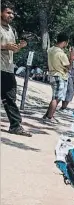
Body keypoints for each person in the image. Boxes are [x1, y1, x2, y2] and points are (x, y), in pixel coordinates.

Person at [0, 2, 31, 136]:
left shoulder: (11, 30)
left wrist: (20, 46)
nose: (11, 16)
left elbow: (13, 49)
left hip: (8, 68)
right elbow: (5, 46)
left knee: (11, 97)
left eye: (12, 13)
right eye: (8, 12)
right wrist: (5, 46)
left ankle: (15, 126)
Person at [42, 32, 71, 123]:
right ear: (65, 42)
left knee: (56, 96)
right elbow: (69, 66)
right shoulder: (61, 54)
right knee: (56, 98)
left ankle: (48, 114)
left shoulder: (50, 50)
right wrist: (72, 55)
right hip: (60, 76)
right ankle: (49, 117)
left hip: (52, 75)